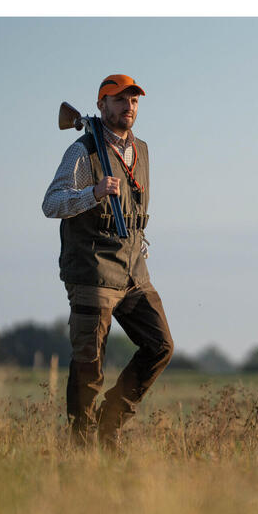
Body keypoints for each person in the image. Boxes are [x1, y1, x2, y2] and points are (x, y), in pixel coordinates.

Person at [42, 74, 174, 450]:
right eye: (118, 100)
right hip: (93, 270)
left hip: (133, 271)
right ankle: (81, 445)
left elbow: (135, 208)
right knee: (89, 362)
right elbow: (51, 203)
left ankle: (110, 421)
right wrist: (92, 192)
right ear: (101, 106)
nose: (127, 106)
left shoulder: (142, 150)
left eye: (133, 100)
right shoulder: (83, 150)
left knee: (160, 345)